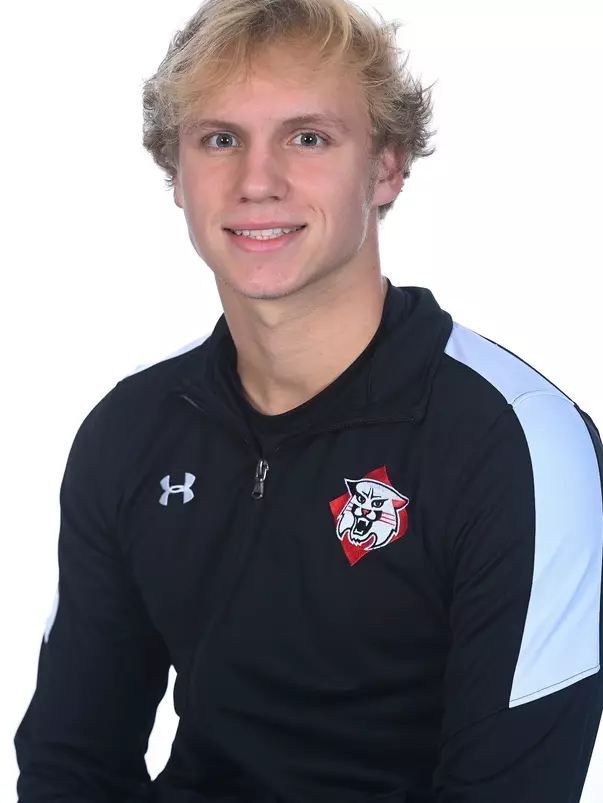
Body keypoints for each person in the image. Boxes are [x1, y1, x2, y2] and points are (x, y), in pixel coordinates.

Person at [14, 0, 603, 801]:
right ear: (175, 176)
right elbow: (70, 761)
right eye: (220, 139)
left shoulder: (518, 441)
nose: (257, 181)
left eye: (308, 137)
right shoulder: (131, 428)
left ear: (387, 166)